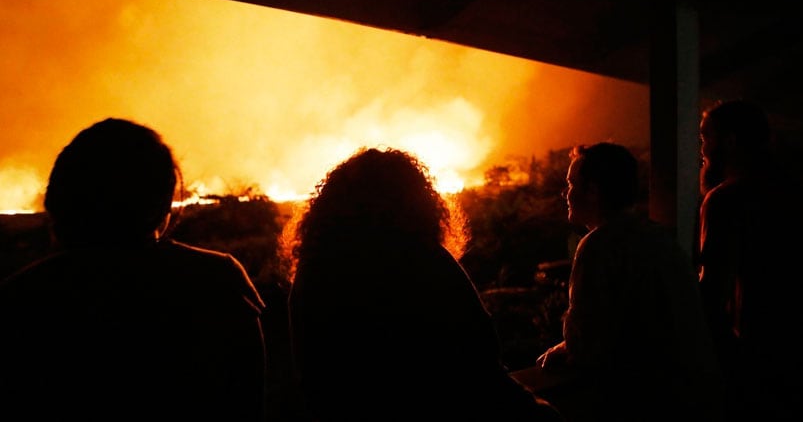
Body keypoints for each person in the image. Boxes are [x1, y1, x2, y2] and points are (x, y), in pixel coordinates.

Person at [0, 118, 268, 421]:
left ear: (59, 202)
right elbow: (248, 401)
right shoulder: (217, 281)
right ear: (161, 204)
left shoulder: (21, 299)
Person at [285, 146, 563, 421]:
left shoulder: (313, 272)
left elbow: (313, 378)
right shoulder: (423, 258)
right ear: (414, 201)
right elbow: (478, 356)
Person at [518, 142, 723, 422]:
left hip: (651, 405)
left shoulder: (599, 246)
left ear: (593, 191)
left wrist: (568, 346)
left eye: (571, 184)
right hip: (697, 397)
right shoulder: (656, 236)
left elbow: (585, 341)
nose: (566, 194)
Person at [698, 99, 802, 420]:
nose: (702, 150)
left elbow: (712, 294)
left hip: (757, 363)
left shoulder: (726, 201)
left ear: (729, 141)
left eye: (706, 138)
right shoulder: (791, 188)